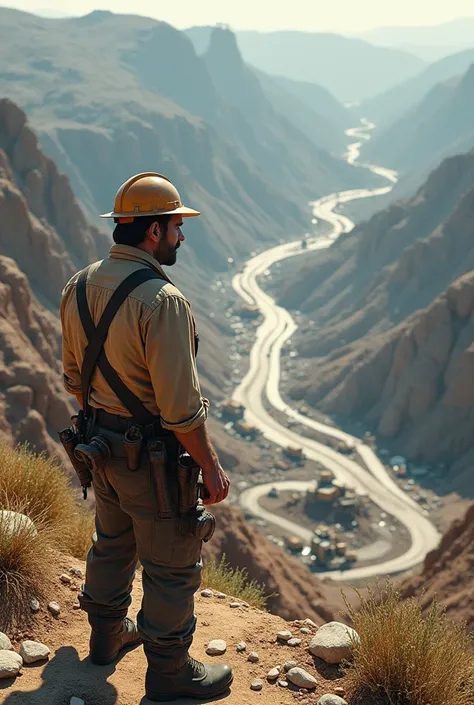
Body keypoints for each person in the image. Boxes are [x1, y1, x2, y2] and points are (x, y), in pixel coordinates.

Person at [60, 173, 233, 702]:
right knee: (172, 563)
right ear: (154, 232)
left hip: (99, 448)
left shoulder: (80, 284)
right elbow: (181, 411)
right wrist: (210, 466)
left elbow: (73, 379)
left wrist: (107, 422)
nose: (183, 237)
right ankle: (168, 673)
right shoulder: (162, 301)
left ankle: (105, 640)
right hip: (152, 459)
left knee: (112, 543)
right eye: (178, 227)